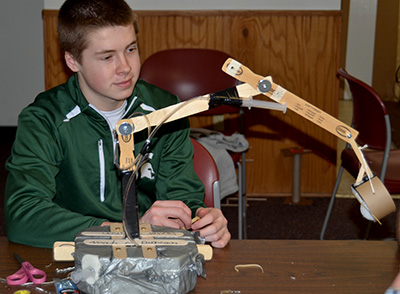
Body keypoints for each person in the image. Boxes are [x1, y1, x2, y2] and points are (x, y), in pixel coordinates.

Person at [4, 0, 230, 249]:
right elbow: (23, 215)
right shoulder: (43, 119)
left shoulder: (165, 109)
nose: (125, 68)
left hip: (149, 252)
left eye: (131, 49)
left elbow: (182, 195)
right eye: (107, 56)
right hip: (74, 256)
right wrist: (123, 232)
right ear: (72, 61)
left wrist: (201, 218)